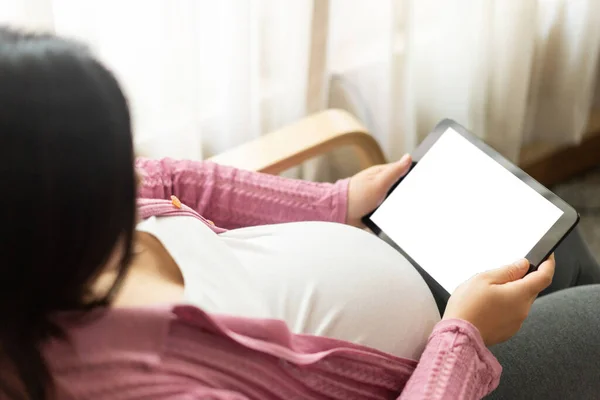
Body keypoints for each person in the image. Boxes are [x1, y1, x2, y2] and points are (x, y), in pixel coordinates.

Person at [1, 28, 599, 400]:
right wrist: (465, 337)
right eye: (112, 164)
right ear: (62, 216)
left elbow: (170, 178)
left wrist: (336, 200)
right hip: (438, 368)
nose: (133, 170)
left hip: (409, 279)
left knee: (552, 241)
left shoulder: (37, 252)